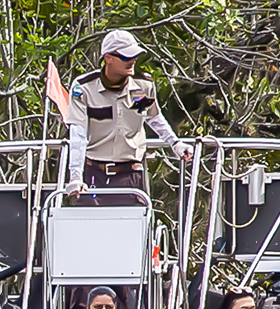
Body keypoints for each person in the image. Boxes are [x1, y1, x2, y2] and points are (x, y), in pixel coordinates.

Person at [63, 29, 193, 205]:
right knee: (90, 226)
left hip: (129, 173)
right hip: (93, 172)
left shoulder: (143, 85)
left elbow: (154, 117)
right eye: (125, 57)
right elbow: (77, 134)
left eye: (135, 56)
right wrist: (76, 177)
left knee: (129, 225)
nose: (132, 61)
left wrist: (175, 143)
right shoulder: (84, 88)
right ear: (108, 58)